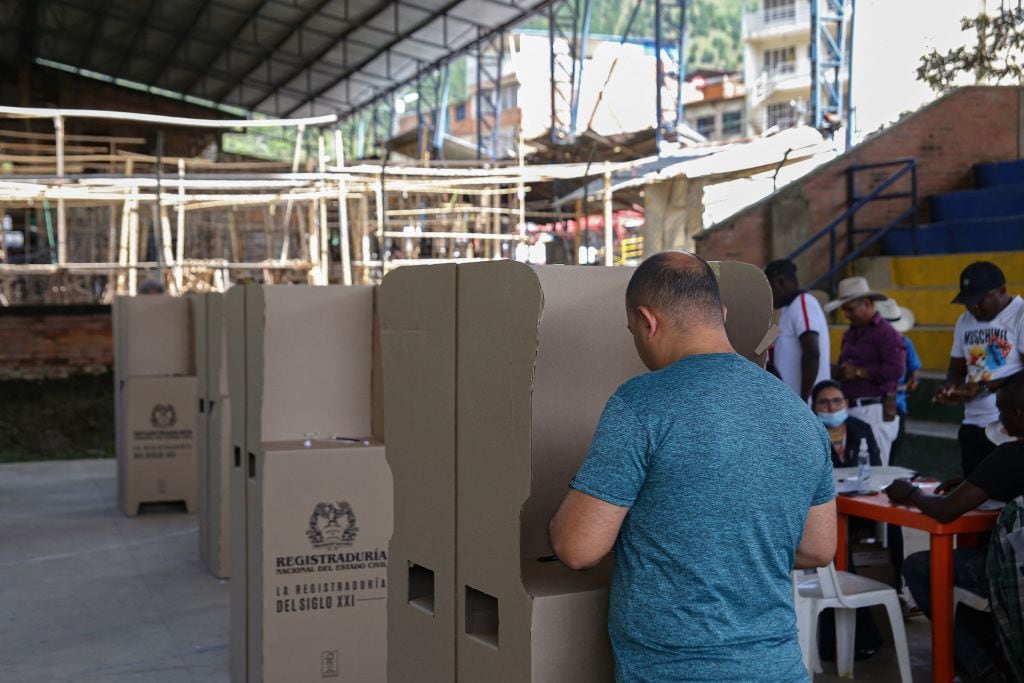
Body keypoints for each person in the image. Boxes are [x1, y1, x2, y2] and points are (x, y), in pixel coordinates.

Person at [549, 251, 836, 682]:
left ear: (647, 321)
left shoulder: (641, 405)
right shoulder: (799, 415)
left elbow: (577, 548)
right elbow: (818, 548)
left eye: (633, 332)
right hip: (779, 669)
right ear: (719, 314)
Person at [886, 375, 1024, 680]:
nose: (999, 419)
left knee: (920, 567)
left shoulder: (1011, 454)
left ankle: (983, 668)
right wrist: (973, 484)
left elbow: (946, 510)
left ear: (1017, 414)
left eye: (1002, 411)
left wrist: (911, 493)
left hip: (1010, 573)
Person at [934, 261, 1024, 478]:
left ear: (1002, 291)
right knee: (974, 499)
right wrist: (953, 389)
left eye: (979, 300)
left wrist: (982, 388)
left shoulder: (1020, 315)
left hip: (1009, 428)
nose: (973, 307)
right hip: (972, 424)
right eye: (968, 302)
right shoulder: (964, 321)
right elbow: (956, 369)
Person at [825, 276, 906, 466]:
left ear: (867, 304)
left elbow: (896, 369)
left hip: (874, 408)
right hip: (853, 408)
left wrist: (859, 373)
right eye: (845, 310)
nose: (847, 315)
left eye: (850, 309)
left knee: (874, 469)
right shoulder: (850, 334)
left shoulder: (886, 333)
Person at [765, 259, 831, 402]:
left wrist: (804, 400)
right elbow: (763, 348)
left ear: (780, 282)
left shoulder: (803, 302)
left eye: (768, 288)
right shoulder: (787, 310)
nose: (767, 295)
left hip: (807, 403)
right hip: (793, 404)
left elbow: (812, 353)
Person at [876, 299, 921, 467]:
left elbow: (914, 368)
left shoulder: (905, 343)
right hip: (873, 401)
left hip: (897, 402)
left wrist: (913, 380)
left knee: (893, 451)